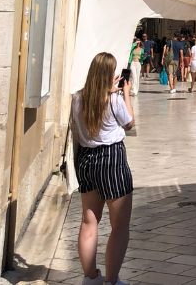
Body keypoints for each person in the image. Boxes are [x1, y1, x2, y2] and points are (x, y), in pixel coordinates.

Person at [71, 52, 134, 285]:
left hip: (87, 160)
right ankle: (112, 280)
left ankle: (90, 277)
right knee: (119, 225)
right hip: (112, 159)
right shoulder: (115, 101)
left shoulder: (77, 98)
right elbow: (130, 123)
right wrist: (126, 93)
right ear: (110, 75)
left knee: (89, 221)